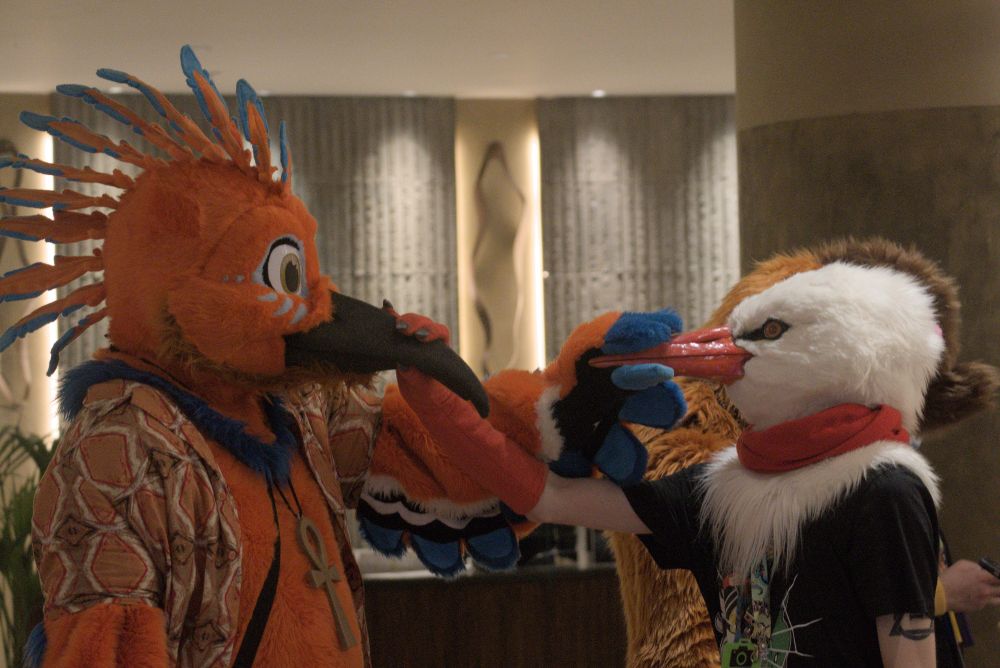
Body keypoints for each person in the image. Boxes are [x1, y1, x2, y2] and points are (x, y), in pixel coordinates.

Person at [398, 247, 1000, 667]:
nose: (717, 349)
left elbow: (910, 651)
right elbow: (547, 497)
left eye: (764, 334)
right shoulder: (727, 485)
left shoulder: (883, 489)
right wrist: (435, 401)